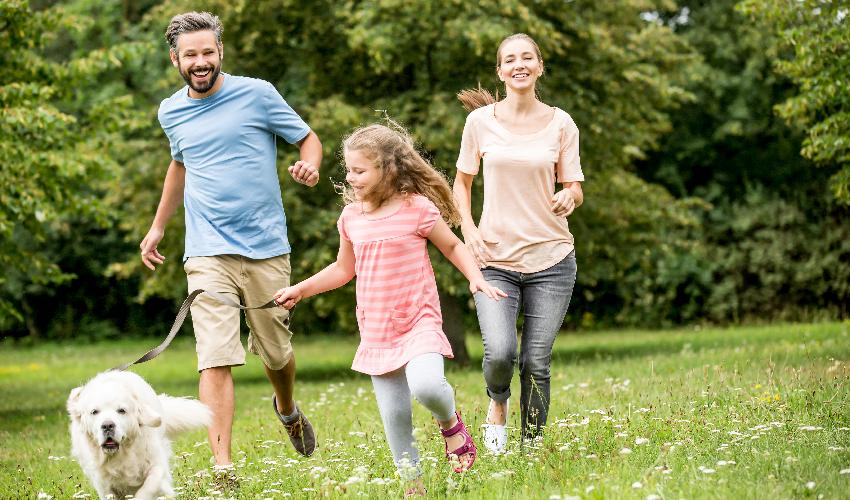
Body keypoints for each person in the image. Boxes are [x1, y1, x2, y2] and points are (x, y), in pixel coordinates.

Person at [273, 123, 506, 493]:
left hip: (419, 319)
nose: (350, 178)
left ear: (387, 169)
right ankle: (413, 485)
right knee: (394, 415)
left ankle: (450, 422)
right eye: (348, 169)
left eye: (359, 170)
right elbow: (342, 269)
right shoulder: (351, 218)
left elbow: (452, 246)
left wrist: (475, 277)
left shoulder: (417, 208)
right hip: (378, 327)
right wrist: (301, 289)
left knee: (428, 385)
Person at [139, 11, 323, 472]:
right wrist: (159, 225)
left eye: (207, 53)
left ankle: (286, 408)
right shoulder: (170, 110)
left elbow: (307, 139)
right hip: (206, 249)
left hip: (266, 245)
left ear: (220, 52)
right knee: (215, 356)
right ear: (175, 59)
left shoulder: (257, 94)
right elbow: (179, 165)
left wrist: (311, 166)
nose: (200, 62)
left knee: (277, 352)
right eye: (190, 55)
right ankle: (223, 466)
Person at [454, 33, 585, 452]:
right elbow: (461, 183)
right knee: (500, 354)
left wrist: (569, 195)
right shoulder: (479, 123)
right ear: (500, 71)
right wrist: (469, 231)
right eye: (510, 59)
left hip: (552, 259)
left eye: (527, 57)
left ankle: (530, 448)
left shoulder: (562, 123)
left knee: (535, 362)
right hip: (494, 260)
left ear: (539, 67)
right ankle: (497, 403)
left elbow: (575, 186)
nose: (519, 64)